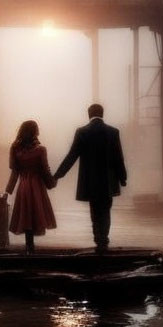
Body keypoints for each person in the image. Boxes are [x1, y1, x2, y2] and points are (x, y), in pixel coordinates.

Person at [53, 103, 127, 253]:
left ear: (89, 114)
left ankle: (98, 238)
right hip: (107, 181)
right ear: (102, 114)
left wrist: (57, 175)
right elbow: (118, 157)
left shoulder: (82, 132)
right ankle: (104, 240)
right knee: (106, 210)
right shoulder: (113, 132)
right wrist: (122, 177)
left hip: (91, 181)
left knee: (95, 210)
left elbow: (72, 156)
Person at [4, 120, 57, 253]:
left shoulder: (15, 148)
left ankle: (29, 245)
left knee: (25, 213)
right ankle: (31, 247)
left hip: (24, 185)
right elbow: (45, 170)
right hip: (37, 185)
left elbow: (14, 172)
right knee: (36, 213)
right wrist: (52, 182)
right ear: (35, 132)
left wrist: (7, 191)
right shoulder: (40, 150)